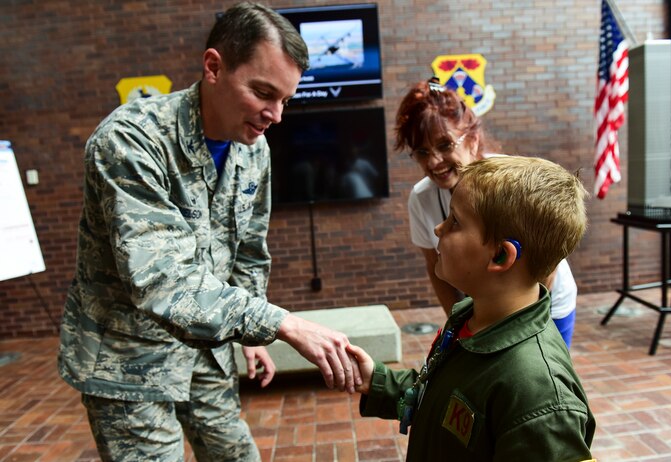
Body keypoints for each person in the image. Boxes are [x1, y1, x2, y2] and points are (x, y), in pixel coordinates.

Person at [57, 3, 360, 461]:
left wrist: (248, 336)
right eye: (262, 92)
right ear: (214, 67)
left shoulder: (253, 149)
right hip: (128, 359)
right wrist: (281, 324)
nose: (275, 115)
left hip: (205, 352)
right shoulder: (130, 141)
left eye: (285, 100)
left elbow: (249, 254)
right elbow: (163, 280)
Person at [348, 155, 596, 460]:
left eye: (455, 221)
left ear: (501, 257)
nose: (439, 229)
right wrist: (376, 381)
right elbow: (446, 397)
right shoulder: (470, 317)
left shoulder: (540, 396)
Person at [398, 78, 579, 347]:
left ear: (472, 138)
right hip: (485, 309)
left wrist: (520, 326)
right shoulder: (422, 197)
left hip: (545, 305)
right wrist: (460, 325)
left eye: (445, 145)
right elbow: (433, 266)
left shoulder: (513, 181)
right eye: (422, 152)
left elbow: (546, 262)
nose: (433, 161)